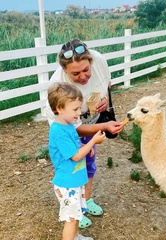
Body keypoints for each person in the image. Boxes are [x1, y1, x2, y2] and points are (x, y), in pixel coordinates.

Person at [46, 39, 124, 228]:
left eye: (86, 70)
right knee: (75, 168)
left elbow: (107, 84)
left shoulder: (99, 60)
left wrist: (104, 100)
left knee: (88, 166)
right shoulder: (56, 87)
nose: (83, 77)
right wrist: (103, 128)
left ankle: (84, 201)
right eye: (76, 73)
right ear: (64, 71)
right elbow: (72, 130)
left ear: (91, 62)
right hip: (73, 130)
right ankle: (74, 208)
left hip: (92, 124)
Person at [48, 82, 106, 240]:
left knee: (76, 215)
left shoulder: (67, 125)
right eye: (75, 109)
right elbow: (76, 156)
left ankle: (75, 237)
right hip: (68, 184)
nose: (79, 113)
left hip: (75, 181)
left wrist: (84, 144)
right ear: (59, 108)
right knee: (71, 220)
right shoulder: (58, 131)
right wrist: (92, 142)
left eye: (79, 108)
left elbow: (75, 143)